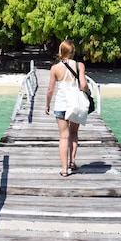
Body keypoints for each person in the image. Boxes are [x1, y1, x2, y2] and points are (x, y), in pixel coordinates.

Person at [46, 41, 91, 177]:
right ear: (73, 52)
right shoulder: (79, 65)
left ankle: (64, 169)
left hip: (61, 105)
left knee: (63, 136)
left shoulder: (55, 68)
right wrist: (88, 93)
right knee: (73, 133)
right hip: (75, 104)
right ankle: (72, 161)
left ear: (60, 51)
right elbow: (83, 84)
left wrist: (47, 104)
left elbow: (50, 90)